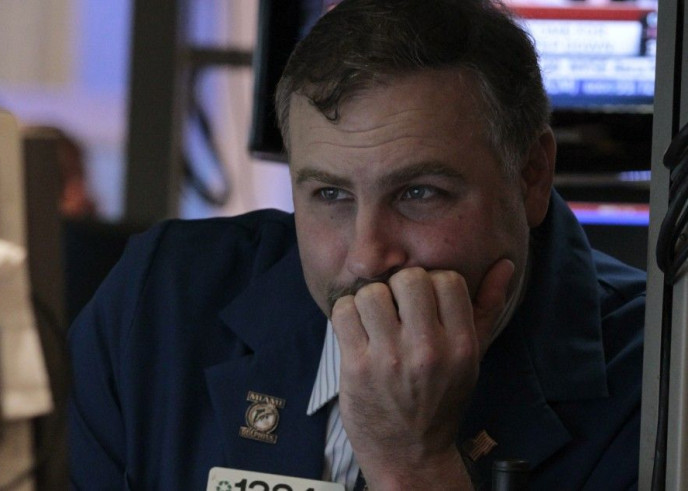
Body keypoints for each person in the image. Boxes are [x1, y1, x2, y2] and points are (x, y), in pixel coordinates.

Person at [68, 0, 645, 489]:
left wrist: (414, 463)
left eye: (420, 192)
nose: (368, 255)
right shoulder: (159, 302)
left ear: (531, 177)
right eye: (330, 195)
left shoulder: (657, 375)